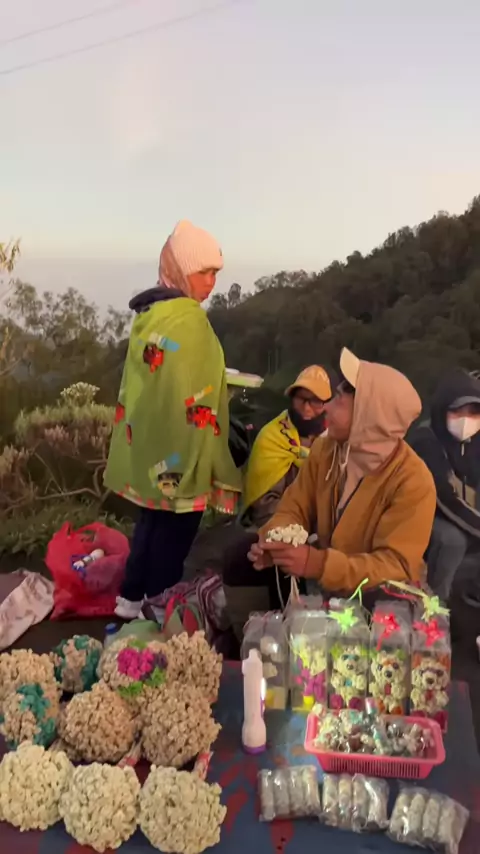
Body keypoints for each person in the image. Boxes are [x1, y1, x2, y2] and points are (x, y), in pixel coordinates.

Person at [104, 220, 241, 619]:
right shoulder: (189, 319)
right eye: (204, 272)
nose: (211, 282)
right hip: (183, 446)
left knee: (151, 518)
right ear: (181, 270)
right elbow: (196, 381)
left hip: (151, 442)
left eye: (216, 273)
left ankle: (130, 598)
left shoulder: (151, 313)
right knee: (176, 528)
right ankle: (159, 609)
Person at [248, 348, 436, 603]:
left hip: (382, 598)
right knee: (241, 561)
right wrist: (277, 540)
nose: (326, 408)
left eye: (337, 399)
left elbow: (396, 566)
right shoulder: (326, 449)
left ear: (368, 415)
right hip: (329, 579)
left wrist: (318, 564)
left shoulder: (413, 481)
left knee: (377, 600)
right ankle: (261, 628)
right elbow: (294, 507)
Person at [223, 365, 335, 639]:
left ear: (327, 405)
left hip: (326, 527)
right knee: (279, 555)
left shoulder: (335, 440)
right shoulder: (273, 437)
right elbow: (264, 504)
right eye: (301, 399)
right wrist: (297, 530)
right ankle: (282, 633)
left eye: (315, 401)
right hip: (279, 524)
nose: (306, 408)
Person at [409, 370, 480, 602]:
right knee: (451, 540)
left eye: (473, 412)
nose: (466, 419)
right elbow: (446, 499)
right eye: (457, 411)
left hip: (462, 513)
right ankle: (435, 605)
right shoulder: (425, 440)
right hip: (420, 514)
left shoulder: (474, 442)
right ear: (442, 410)